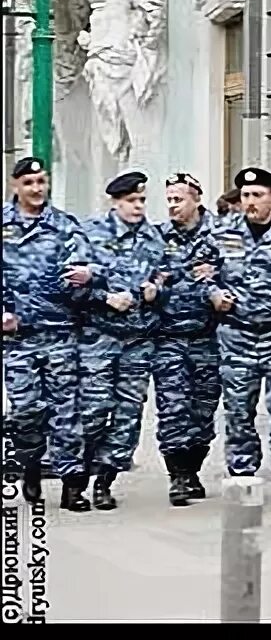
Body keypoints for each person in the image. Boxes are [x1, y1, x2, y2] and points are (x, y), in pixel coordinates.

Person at [206, 168, 271, 512]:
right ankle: (242, 479)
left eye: (257, 195)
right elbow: (201, 270)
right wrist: (213, 293)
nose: (250, 202)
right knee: (238, 412)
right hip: (236, 335)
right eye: (246, 196)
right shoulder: (220, 232)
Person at [2, 157, 93, 512]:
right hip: (17, 339)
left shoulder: (65, 227)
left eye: (41, 182)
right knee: (25, 411)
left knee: (66, 411)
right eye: (29, 183)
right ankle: (31, 467)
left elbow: (85, 267)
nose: (36, 189)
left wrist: (87, 276)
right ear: (15, 186)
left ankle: (72, 485)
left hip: (60, 335)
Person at [79, 171, 166, 510]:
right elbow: (70, 283)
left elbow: (166, 284)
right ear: (115, 202)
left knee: (129, 414)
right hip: (99, 338)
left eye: (142, 200)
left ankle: (104, 481)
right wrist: (104, 297)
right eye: (132, 201)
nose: (138, 206)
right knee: (94, 409)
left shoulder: (154, 240)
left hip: (138, 341)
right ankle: (77, 478)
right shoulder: (90, 234)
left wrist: (156, 291)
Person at [152, 172, 221, 506]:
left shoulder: (222, 235)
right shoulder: (155, 238)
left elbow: (241, 273)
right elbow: (143, 276)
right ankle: (178, 476)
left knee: (203, 411)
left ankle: (193, 470)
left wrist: (217, 277)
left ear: (196, 198)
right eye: (168, 200)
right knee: (172, 408)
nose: (172, 206)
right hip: (168, 338)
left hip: (209, 338)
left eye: (178, 199)